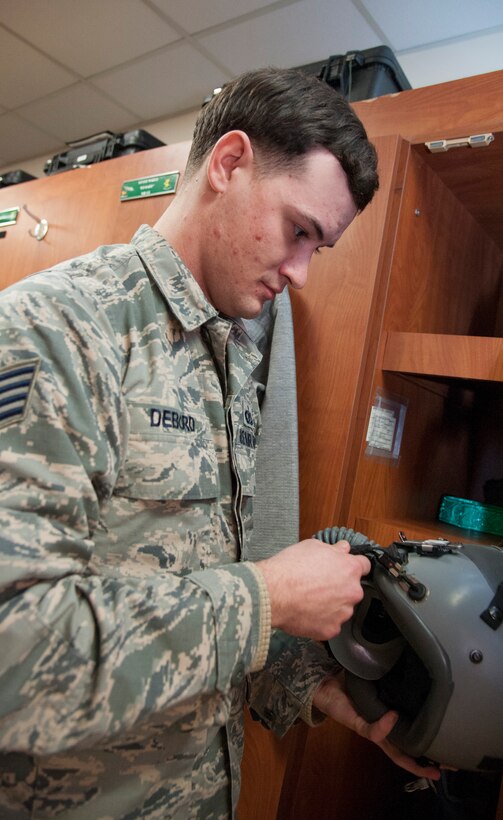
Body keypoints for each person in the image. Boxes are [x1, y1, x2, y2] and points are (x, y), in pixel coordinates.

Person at [0, 67, 439, 819]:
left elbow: (196, 573)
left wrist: (322, 689)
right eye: (299, 230)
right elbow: (17, 655)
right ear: (228, 164)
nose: (301, 273)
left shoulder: (233, 350)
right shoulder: (56, 328)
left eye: (319, 249)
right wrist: (271, 598)